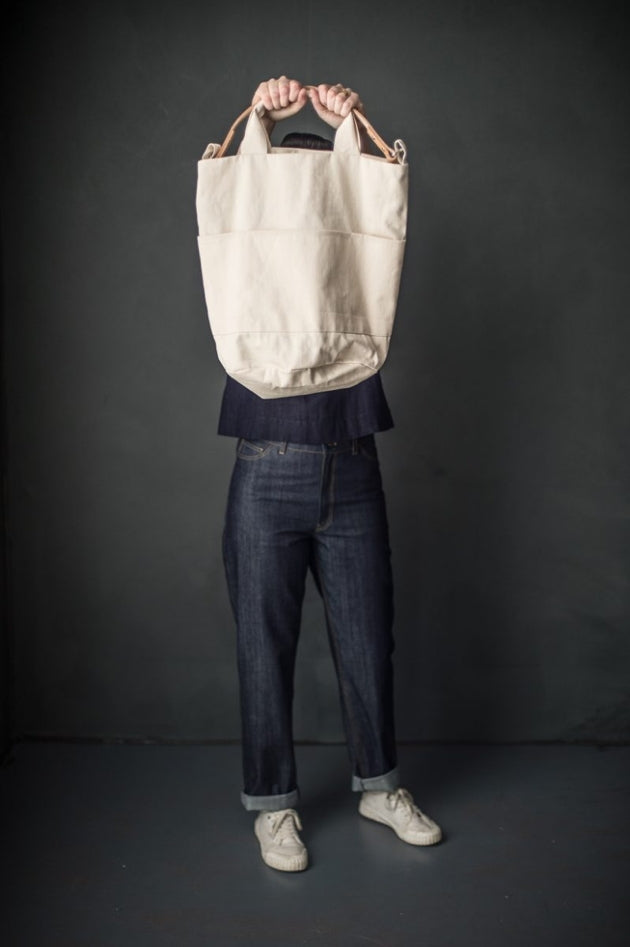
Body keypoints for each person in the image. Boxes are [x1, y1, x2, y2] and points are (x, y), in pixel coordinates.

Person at [220, 77, 442, 872]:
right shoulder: (251, 243)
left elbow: (384, 198)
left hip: (353, 466)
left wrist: (352, 125)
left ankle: (380, 786)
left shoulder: (352, 242)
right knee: (263, 648)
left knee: (368, 639)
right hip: (265, 466)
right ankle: (272, 805)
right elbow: (231, 195)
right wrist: (261, 116)